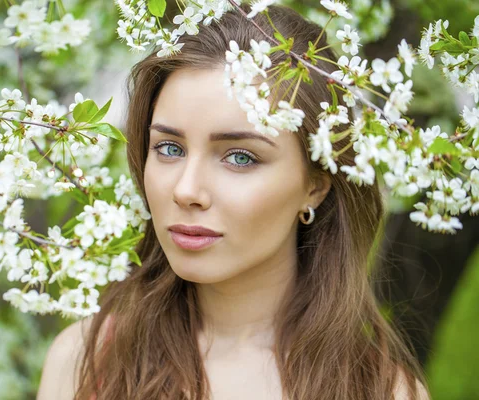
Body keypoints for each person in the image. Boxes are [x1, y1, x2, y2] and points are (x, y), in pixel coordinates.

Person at [37, 4, 430, 399]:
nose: (186, 190)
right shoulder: (86, 360)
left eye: (240, 157)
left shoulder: (380, 391)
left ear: (315, 185)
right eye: (170, 148)